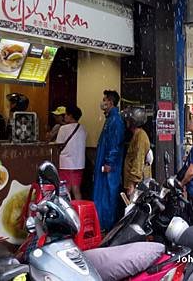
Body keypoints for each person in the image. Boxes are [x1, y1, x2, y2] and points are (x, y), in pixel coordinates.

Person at [93, 90, 126, 231]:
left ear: (110, 102)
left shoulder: (115, 121)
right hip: (105, 164)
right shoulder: (111, 119)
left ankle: (106, 225)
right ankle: (102, 224)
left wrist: (108, 163)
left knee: (107, 196)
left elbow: (115, 145)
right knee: (104, 195)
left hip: (109, 166)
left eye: (105, 100)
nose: (103, 102)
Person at [56, 105, 87, 200]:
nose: (64, 117)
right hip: (79, 164)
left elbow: (58, 144)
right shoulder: (83, 129)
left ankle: (66, 211)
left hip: (65, 164)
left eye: (66, 115)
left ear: (70, 116)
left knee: (65, 190)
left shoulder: (63, 129)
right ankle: (79, 211)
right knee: (76, 189)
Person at [122, 107, 152, 196]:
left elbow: (138, 160)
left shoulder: (140, 136)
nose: (126, 121)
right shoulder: (137, 135)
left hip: (138, 184)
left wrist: (132, 185)